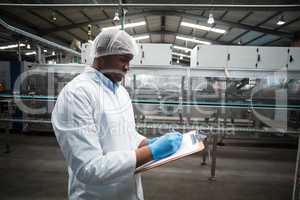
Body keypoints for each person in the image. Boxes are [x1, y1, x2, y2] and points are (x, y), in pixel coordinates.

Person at [51, 28, 183, 200]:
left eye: (130, 61)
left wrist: (146, 142)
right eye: (123, 60)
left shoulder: (120, 91)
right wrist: (151, 152)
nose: (127, 67)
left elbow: (125, 133)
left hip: (128, 192)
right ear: (101, 56)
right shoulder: (76, 94)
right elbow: (89, 168)